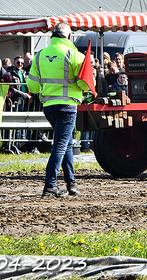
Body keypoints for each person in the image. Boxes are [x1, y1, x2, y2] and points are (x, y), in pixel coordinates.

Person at [27, 23, 90, 198]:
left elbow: (32, 86)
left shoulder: (40, 55)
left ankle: (71, 183)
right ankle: (50, 185)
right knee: (61, 145)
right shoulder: (75, 55)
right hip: (67, 107)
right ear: (69, 37)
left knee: (67, 143)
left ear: (53, 35)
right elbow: (84, 84)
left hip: (48, 107)